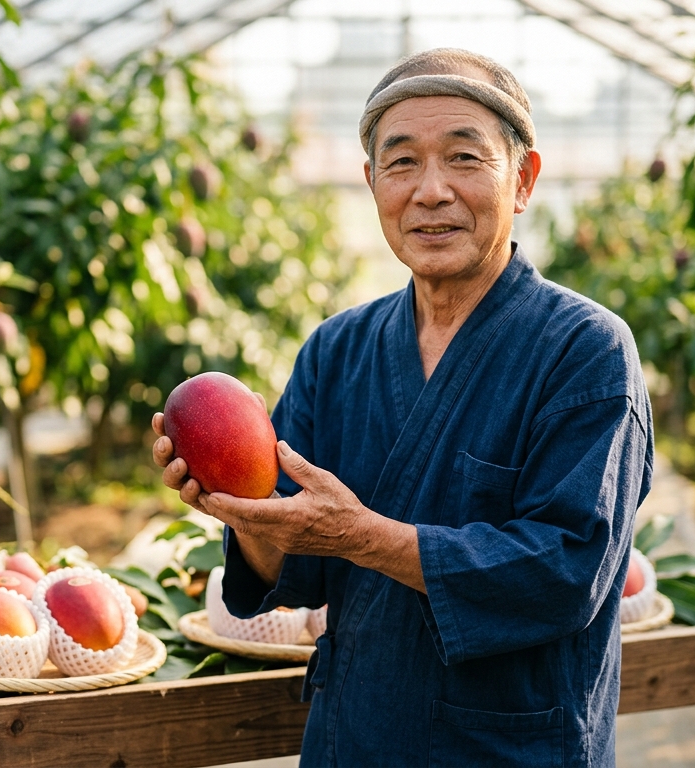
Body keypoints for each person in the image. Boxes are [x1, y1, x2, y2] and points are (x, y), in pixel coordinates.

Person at [152, 48, 652, 767]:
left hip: (508, 748)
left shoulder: (586, 352)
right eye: (402, 162)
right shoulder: (338, 350)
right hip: (351, 739)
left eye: (464, 158)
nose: (432, 191)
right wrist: (240, 507)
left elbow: (567, 570)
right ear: (372, 183)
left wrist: (363, 536)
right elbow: (296, 560)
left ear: (524, 179)